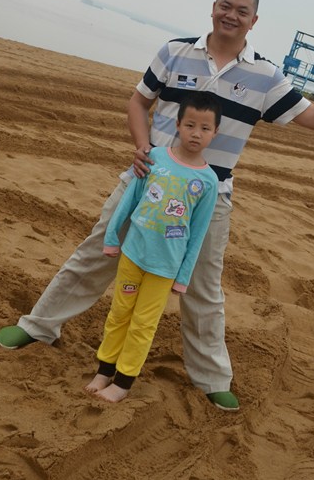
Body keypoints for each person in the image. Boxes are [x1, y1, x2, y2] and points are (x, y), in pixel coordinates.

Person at [0, 0, 314, 412]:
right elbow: (138, 102)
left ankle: (212, 377)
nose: (231, 15)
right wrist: (142, 147)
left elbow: (311, 116)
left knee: (203, 286)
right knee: (96, 253)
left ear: (253, 21)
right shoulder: (174, 51)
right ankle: (38, 325)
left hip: (208, 197)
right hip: (148, 181)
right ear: (213, 8)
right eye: (225, 6)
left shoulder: (265, 75)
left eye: (241, 11)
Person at [86, 91, 220, 403]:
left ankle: (123, 382)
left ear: (215, 133)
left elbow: (198, 233)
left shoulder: (209, 181)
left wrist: (183, 277)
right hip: (132, 255)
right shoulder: (155, 157)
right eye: (190, 125)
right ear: (177, 125)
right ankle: (104, 370)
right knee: (119, 313)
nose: (195, 133)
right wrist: (111, 239)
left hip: (164, 268)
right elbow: (129, 201)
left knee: (143, 324)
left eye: (204, 128)